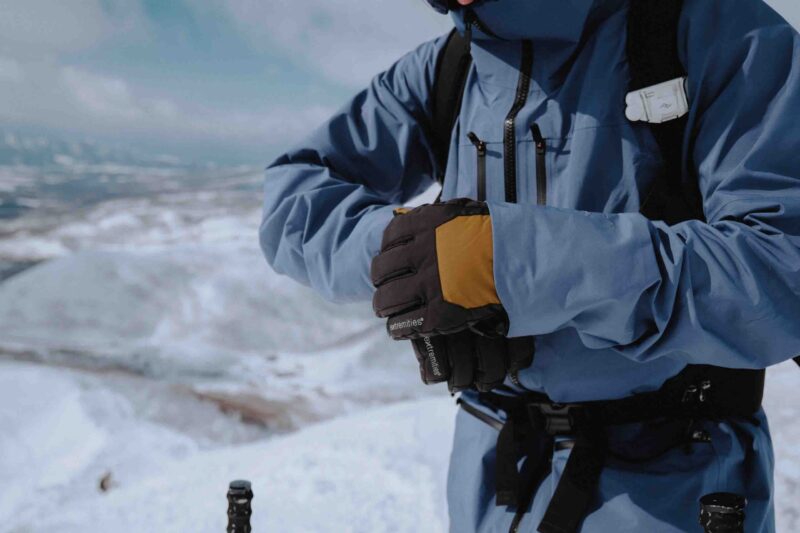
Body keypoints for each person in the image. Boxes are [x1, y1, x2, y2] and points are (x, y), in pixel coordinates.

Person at [259, 0, 800, 531]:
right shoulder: (450, 66)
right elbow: (294, 197)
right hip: (493, 482)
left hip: (677, 489)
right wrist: (419, 255)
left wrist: (511, 264)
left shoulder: (719, 34)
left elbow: (781, 272)